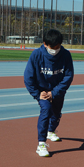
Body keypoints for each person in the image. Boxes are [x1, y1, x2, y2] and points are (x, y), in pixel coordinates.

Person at [24, 29, 74, 157]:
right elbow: (28, 77)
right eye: (52, 47)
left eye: (58, 47)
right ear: (45, 44)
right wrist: (37, 94)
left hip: (57, 90)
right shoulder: (36, 55)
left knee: (56, 113)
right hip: (42, 91)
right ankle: (41, 144)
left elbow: (68, 76)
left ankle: (51, 131)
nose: (55, 49)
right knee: (46, 109)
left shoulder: (66, 55)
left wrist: (54, 92)